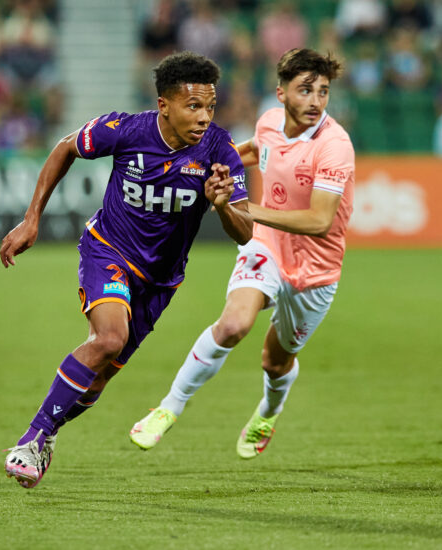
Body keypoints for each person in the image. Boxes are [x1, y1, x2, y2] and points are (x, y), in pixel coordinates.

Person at [0, 51, 252, 488]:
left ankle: (50, 434)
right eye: (194, 106)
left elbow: (245, 232)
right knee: (109, 339)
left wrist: (222, 205)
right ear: (164, 105)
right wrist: (32, 217)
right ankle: (32, 437)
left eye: (211, 106)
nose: (205, 116)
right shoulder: (126, 129)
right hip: (109, 251)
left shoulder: (220, 150)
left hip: (161, 281)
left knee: (99, 378)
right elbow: (66, 147)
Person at [129, 48, 355, 459]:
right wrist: (207, 164)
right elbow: (248, 153)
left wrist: (247, 207)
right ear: (281, 93)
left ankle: (268, 411)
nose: (316, 101)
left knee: (275, 360)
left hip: (316, 270)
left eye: (323, 92)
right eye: (305, 90)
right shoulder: (269, 122)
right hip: (266, 245)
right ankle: (168, 408)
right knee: (233, 325)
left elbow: (321, 221)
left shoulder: (334, 146)